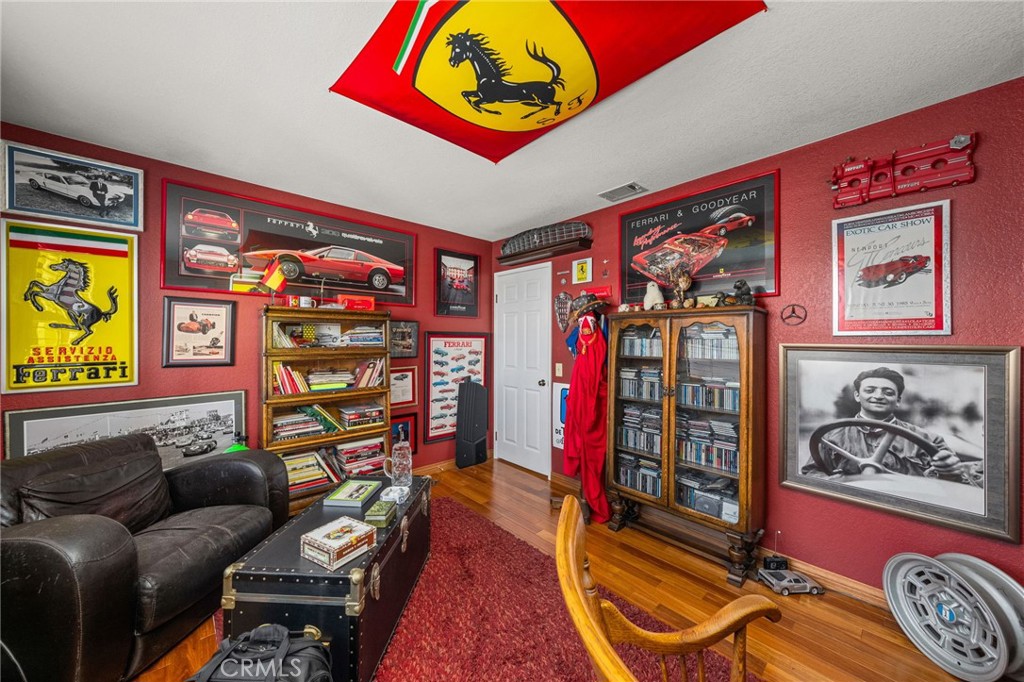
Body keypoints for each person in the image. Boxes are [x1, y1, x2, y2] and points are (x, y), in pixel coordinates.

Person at [802, 367, 963, 480]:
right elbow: (811, 472)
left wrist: (949, 471)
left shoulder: (929, 439)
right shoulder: (831, 436)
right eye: (870, 390)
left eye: (888, 392)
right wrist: (830, 482)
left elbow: (954, 483)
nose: (878, 396)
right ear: (857, 396)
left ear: (898, 401)